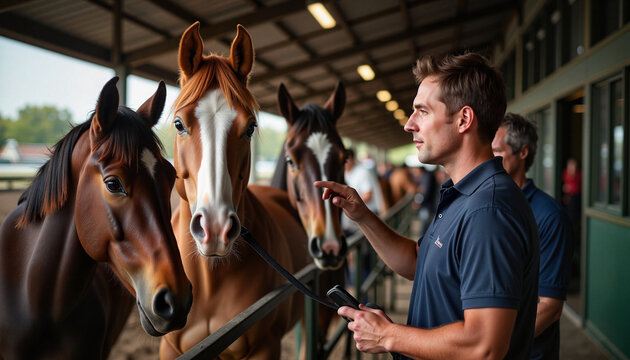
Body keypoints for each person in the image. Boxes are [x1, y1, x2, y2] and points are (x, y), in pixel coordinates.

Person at [315, 52, 539, 359]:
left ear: (463, 119)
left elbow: (484, 345)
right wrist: (362, 216)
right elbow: (422, 262)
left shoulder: (489, 210)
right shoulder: (464, 194)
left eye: (422, 111)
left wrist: (388, 335)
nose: (409, 125)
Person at [492, 112, 574, 360]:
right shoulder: (485, 205)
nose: (487, 159)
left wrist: (493, 347)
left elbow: (549, 307)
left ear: (523, 153)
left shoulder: (550, 216)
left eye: (496, 152)